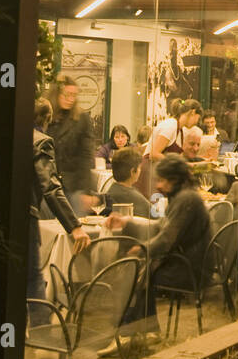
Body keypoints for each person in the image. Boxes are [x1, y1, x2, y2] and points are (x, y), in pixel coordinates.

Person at [105, 154, 211, 349]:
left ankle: (127, 334)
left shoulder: (186, 199)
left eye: (162, 180)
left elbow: (165, 238)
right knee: (144, 269)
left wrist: (142, 249)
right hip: (186, 262)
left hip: (191, 270)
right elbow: (160, 227)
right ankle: (146, 330)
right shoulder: (183, 196)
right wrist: (128, 221)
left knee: (140, 271)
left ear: (174, 180)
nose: (158, 186)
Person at [29, 100, 90, 323]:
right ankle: (41, 336)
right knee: (32, 277)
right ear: (46, 121)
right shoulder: (41, 142)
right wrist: (75, 227)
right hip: (24, 217)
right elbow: (50, 187)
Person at [47, 76, 98, 213]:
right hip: (48, 183)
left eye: (74, 95)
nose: (71, 99)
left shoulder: (82, 119)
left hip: (74, 185)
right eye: (67, 95)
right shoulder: (46, 116)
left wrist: (86, 190)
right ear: (56, 94)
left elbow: (86, 157)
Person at [105, 147, 152, 218]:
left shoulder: (112, 190)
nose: (140, 170)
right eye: (139, 168)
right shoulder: (135, 197)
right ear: (132, 171)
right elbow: (157, 216)